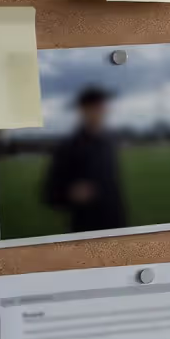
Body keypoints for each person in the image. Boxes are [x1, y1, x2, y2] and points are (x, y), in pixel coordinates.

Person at [42, 86, 128, 233]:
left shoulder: (108, 141)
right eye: (95, 107)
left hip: (117, 224)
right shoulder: (68, 147)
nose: (101, 111)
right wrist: (71, 194)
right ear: (83, 111)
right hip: (86, 229)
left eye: (102, 106)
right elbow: (50, 195)